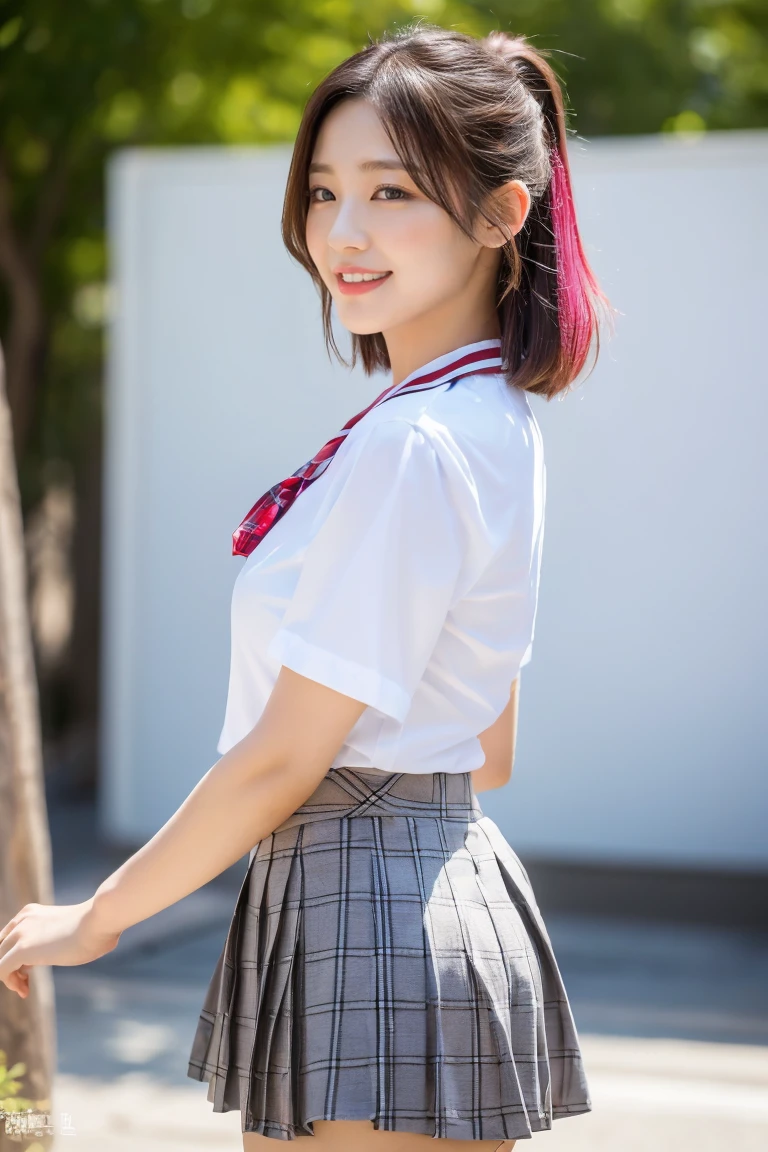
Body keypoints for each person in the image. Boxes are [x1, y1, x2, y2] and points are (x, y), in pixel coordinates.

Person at [0, 21, 612, 1152]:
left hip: (367, 908)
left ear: (499, 215)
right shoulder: (482, 421)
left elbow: (287, 752)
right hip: (410, 881)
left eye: (391, 194)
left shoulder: (417, 442)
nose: (343, 233)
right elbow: (490, 748)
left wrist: (99, 916)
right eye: (325, 192)